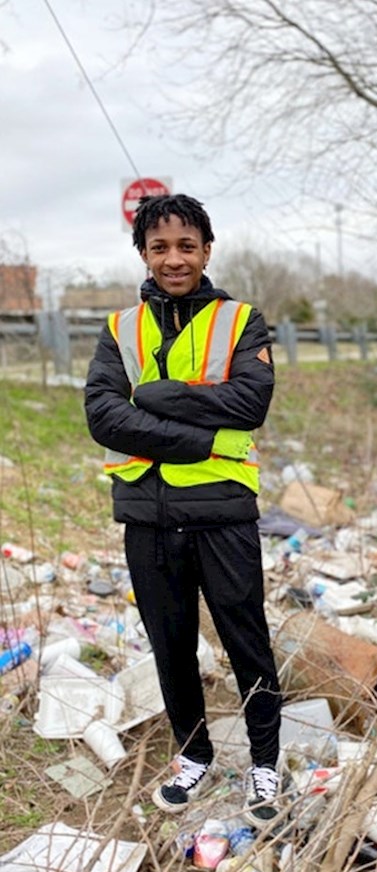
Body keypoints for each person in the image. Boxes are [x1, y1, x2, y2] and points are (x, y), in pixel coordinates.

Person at [84, 193, 282, 826]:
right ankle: (193, 755)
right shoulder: (119, 330)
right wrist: (201, 434)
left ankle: (265, 763)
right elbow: (103, 415)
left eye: (187, 246)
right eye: (160, 247)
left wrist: (155, 398)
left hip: (221, 510)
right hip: (146, 514)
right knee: (170, 646)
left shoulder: (242, 321)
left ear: (207, 250)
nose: (174, 259)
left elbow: (248, 405)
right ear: (143, 253)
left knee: (245, 639)